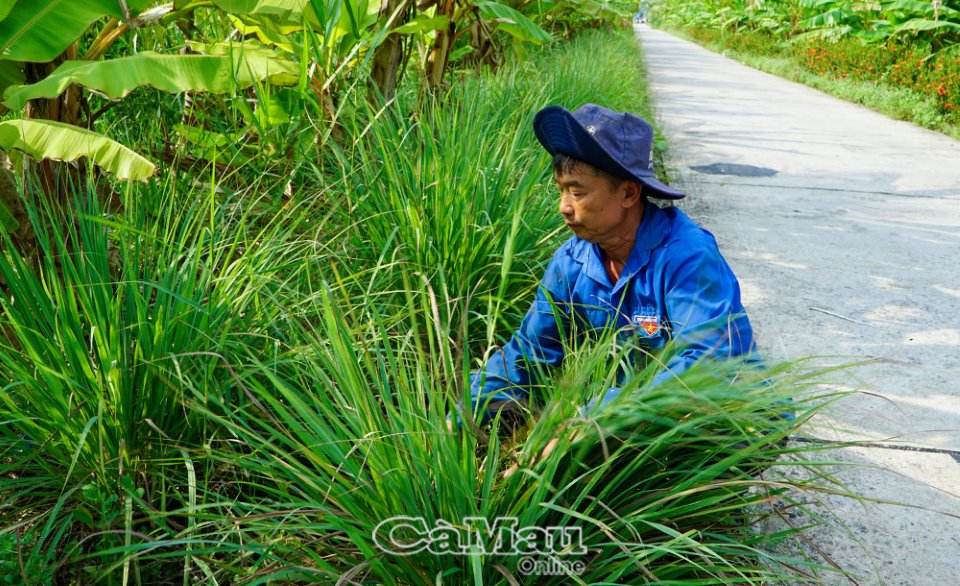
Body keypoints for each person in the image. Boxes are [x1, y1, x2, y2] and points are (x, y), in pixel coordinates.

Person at [465, 103, 759, 426]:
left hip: (728, 417)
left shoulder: (686, 257)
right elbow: (527, 353)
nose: (563, 207)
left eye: (577, 193)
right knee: (490, 403)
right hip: (639, 411)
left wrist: (591, 420)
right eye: (561, 190)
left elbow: (706, 364)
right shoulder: (572, 262)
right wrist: (463, 413)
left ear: (629, 193)